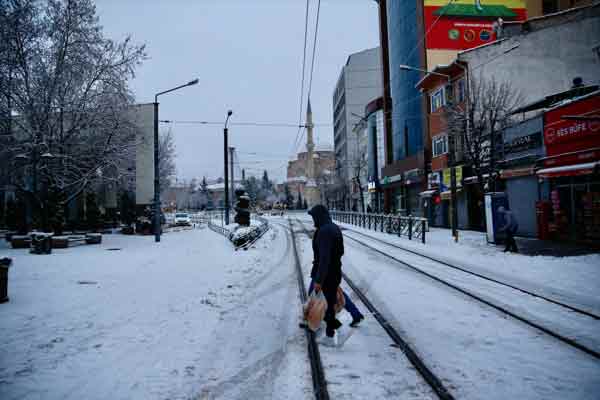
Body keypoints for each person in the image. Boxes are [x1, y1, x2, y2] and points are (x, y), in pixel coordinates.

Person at [308, 204, 356, 347]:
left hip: (327, 274)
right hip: (334, 271)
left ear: (319, 216)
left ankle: (341, 329)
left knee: (326, 306)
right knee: (328, 305)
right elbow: (339, 252)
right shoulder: (333, 227)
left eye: (313, 217)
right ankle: (329, 337)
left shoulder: (324, 231)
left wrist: (319, 280)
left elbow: (324, 258)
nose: (313, 220)